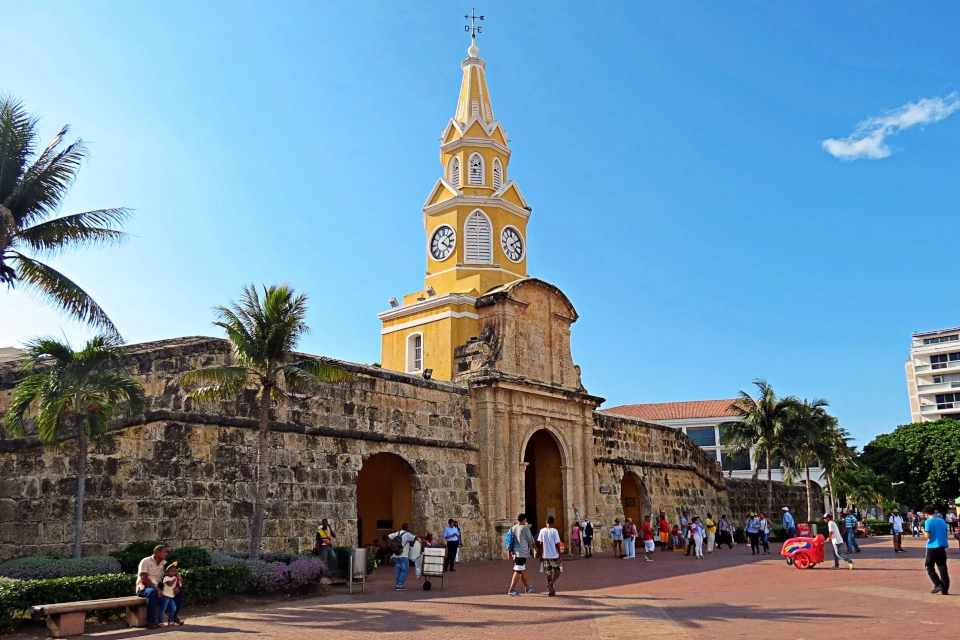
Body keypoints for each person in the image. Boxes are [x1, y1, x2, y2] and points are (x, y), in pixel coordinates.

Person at [135, 544, 184, 629]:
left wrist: (177, 586)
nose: (166, 554)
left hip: (159, 586)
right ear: (157, 552)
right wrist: (156, 588)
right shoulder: (146, 561)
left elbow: (172, 574)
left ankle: (173, 617)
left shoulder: (164, 563)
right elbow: (144, 578)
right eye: (164, 552)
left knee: (179, 592)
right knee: (153, 593)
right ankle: (151, 621)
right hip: (144, 587)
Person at [507, 513, 538, 596]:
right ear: (524, 520)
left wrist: (509, 553)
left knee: (522, 570)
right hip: (521, 553)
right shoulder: (525, 529)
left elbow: (509, 541)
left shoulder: (512, 528)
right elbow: (531, 540)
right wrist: (536, 549)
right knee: (518, 570)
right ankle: (511, 589)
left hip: (515, 553)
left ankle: (527, 587)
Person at [922, 506, 950, 595]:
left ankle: (938, 584)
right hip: (942, 546)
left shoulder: (928, 522)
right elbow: (946, 534)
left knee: (929, 566)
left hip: (932, 546)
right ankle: (945, 588)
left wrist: (923, 530)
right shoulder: (942, 521)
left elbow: (928, 536)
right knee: (942, 567)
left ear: (926, 514)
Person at [536, 515, 563, 596]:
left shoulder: (542, 531)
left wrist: (540, 555)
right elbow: (557, 544)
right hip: (554, 555)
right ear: (553, 523)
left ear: (546, 522)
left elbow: (540, 544)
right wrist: (560, 555)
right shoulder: (554, 531)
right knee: (558, 571)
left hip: (545, 555)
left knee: (548, 573)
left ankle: (550, 591)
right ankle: (551, 584)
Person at [388, 523, 417, 591]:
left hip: (395, 555)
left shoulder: (397, 533)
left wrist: (393, 544)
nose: (409, 528)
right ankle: (399, 585)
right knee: (405, 570)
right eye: (409, 527)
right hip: (403, 556)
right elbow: (415, 538)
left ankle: (397, 584)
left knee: (398, 570)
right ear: (407, 528)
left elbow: (389, 536)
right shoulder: (407, 534)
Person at [158, 563, 180, 627]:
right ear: (167, 572)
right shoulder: (166, 578)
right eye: (172, 571)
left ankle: (170, 621)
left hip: (171, 596)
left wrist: (177, 587)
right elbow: (170, 584)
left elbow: (175, 585)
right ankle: (160, 622)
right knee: (163, 609)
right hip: (165, 596)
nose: (173, 573)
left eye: (174, 571)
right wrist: (175, 578)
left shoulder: (174, 578)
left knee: (174, 608)